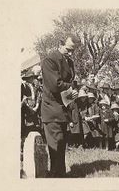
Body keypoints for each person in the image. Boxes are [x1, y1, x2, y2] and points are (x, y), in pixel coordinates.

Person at [41, 35, 79, 177]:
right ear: (60, 44)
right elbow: (55, 85)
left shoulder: (67, 60)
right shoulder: (50, 59)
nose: (71, 53)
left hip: (62, 109)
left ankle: (59, 174)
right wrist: (71, 89)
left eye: (73, 50)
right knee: (56, 145)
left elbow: (68, 82)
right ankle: (56, 176)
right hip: (52, 109)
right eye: (69, 49)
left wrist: (72, 93)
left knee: (61, 143)